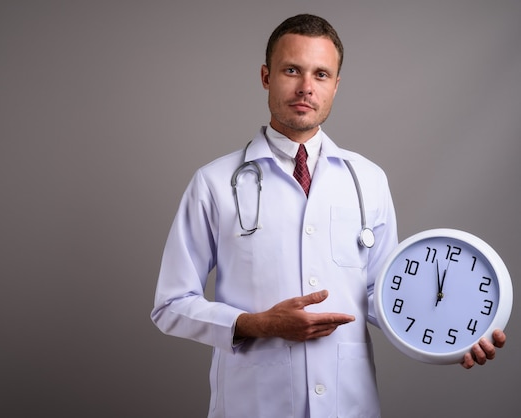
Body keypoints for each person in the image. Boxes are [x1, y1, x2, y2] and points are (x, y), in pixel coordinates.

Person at [150, 14, 506, 418]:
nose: (306, 88)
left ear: (335, 86)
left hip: (348, 404)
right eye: (291, 70)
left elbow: (383, 295)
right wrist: (257, 324)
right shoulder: (214, 182)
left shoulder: (368, 179)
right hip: (254, 404)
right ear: (266, 77)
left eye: (321, 74)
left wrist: (453, 335)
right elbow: (171, 305)